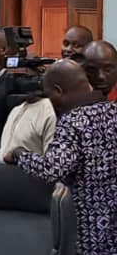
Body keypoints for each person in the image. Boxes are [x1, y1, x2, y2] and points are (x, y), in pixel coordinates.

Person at [7, 60, 117, 255]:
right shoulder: (113, 111)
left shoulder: (73, 121)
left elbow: (53, 168)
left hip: (92, 232)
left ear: (58, 91)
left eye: (49, 95)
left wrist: (19, 154)